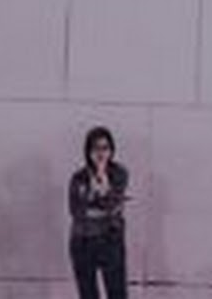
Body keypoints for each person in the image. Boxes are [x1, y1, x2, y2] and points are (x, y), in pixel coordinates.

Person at [68, 126, 130, 299]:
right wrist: (104, 209)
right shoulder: (78, 178)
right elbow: (76, 211)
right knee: (88, 294)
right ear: (88, 151)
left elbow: (112, 204)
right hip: (83, 241)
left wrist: (102, 177)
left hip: (111, 240)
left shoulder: (119, 173)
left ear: (112, 150)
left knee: (117, 293)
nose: (101, 153)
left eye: (105, 148)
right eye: (96, 148)